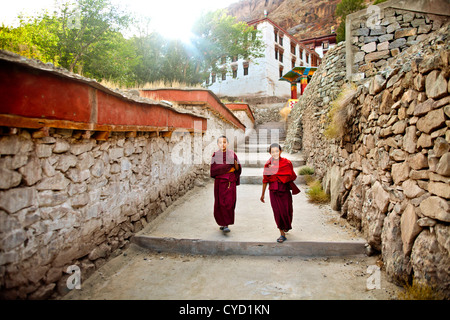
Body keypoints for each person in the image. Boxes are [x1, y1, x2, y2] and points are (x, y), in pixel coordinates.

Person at [260, 143, 300, 243]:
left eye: (277, 151)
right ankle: (282, 233)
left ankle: (286, 226)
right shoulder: (268, 165)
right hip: (273, 191)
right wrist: (262, 194)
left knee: (287, 210)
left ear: (280, 151)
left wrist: (283, 178)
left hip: (285, 190)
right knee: (277, 212)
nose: (275, 153)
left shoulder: (287, 163)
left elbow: (293, 176)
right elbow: (265, 180)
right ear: (270, 153)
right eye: (272, 152)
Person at [210, 135, 242, 233]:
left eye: (224, 142)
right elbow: (213, 170)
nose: (222, 144)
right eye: (220, 142)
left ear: (227, 143)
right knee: (220, 203)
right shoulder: (215, 155)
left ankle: (226, 224)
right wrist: (228, 168)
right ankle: (223, 224)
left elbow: (238, 169)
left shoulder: (232, 154)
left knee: (229, 202)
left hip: (229, 181)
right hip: (219, 183)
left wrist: (235, 166)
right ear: (217, 144)